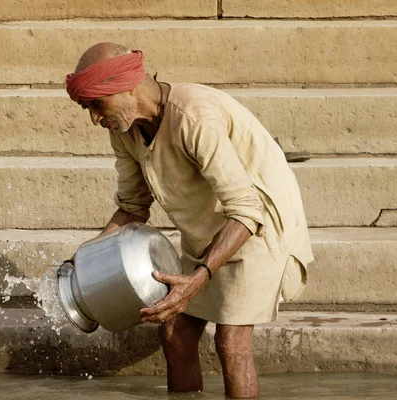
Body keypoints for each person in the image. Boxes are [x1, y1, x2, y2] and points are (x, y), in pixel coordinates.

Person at [65, 42, 314, 399]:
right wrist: (85, 257)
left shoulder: (195, 118)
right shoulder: (124, 129)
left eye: (96, 104)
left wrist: (197, 279)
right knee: (174, 332)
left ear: (127, 86)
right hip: (209, 230)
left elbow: (246, 211)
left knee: (231, 342)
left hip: (260, 226)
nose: (93, 117)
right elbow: (134, 206)